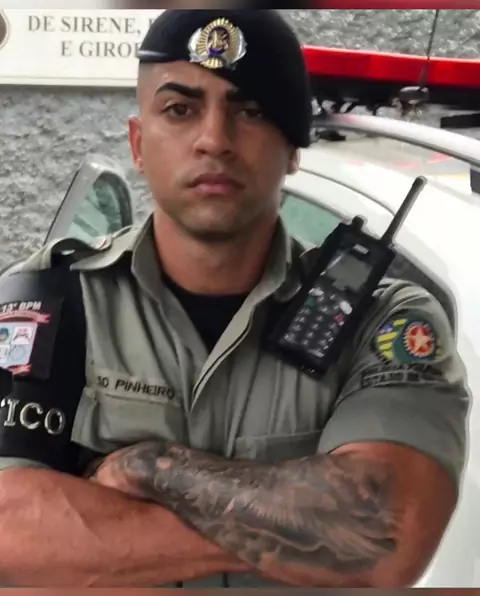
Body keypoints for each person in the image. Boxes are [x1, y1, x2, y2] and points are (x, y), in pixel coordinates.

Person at [0, 9, 470, 589]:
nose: (214, 141)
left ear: (293, 148)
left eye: (251, 112)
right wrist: (303, 528)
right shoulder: (47, 298)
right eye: (180, 109)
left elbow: (383, 536)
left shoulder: (385, 321)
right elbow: (8, 527)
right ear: (139, 144)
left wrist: (148, 468)